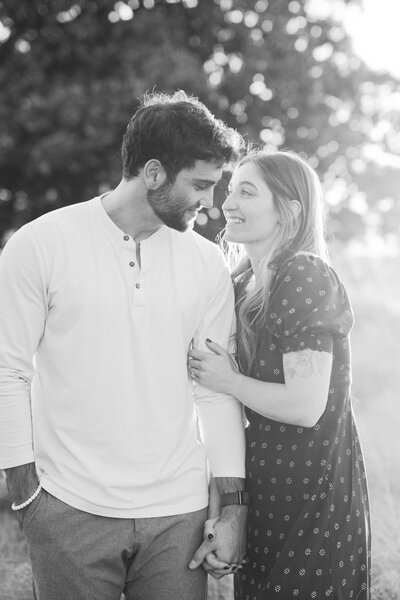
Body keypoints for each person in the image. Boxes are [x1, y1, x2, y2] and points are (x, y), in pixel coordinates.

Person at [0, 90, 249, 600]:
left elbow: (215, 391)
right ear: (153, 173)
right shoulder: (40, 244)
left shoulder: (206, 263)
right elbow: (8, 369)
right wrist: (26, 494)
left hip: (179, 515)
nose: (211, 202)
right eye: (200, 185)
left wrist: (234, 505)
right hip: (68, 509)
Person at [189, 150, 371, 599]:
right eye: (230, 191)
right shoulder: (240, 282)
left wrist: (228, 380)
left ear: (288, 210)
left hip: (313, 498)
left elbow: (305, 406)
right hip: (265, 494)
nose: (227, 203)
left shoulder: (303, 274)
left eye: (246, 192)